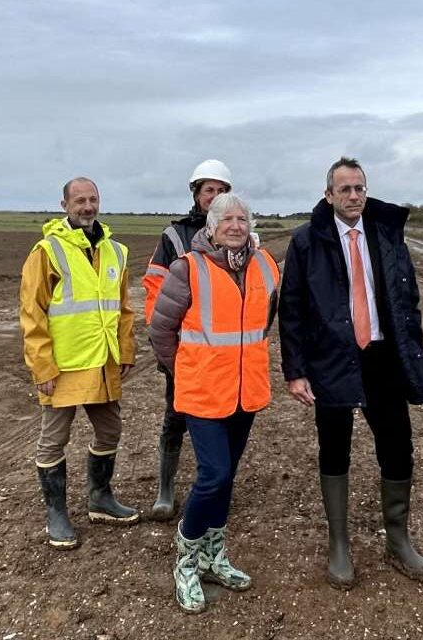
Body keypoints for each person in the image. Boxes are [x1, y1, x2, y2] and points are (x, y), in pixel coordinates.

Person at [278, 157, 423, 590]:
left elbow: (409, 298)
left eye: (360, 189)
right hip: (331, 359)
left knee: (397, 446)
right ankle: (339, 544)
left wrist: (414, 351)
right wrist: (296, 371)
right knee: (335, 449)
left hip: (382, 357)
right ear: (329, 195)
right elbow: (290, 309)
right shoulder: (308, 241)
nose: (354, 196)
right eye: (345, 189)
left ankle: (398, 538)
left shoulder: (386, 234)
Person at [148, 193, 279, 613]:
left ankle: (213, 555)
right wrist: (184, 370)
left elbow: (267, 319)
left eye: (242, 218)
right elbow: (160, 331)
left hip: (245, 392)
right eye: (227, 218)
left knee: (227, 476)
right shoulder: (188, 268)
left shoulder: (266, 264)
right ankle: (186, 557)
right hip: (203, 393)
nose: (236, 225)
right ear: (210, 225)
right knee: (213, 474)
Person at [20, 177, 139, 550]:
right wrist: (42, 368)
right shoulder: (48, 251)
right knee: (53, 441)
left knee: (110, 432)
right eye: (79, 200)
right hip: (64, 367)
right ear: (65, 204)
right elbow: (32, 313)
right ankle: (56, 513)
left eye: (93, 199)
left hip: (103, 361)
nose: (87, 206)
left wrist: (126, 350)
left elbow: (123, 309)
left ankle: (100, 498)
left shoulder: (116, 251)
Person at [142, 159, 233, 521]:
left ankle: (213, 484)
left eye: (221, 190)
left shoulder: (238, 232)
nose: (215, 196)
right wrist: (167, 350)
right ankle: (166, 490)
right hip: (185, 348)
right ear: (196, 193)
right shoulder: (175, 236)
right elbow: (154, 290)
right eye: (208, 189)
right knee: (176, 414)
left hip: (224, 349)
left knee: (221, 417)